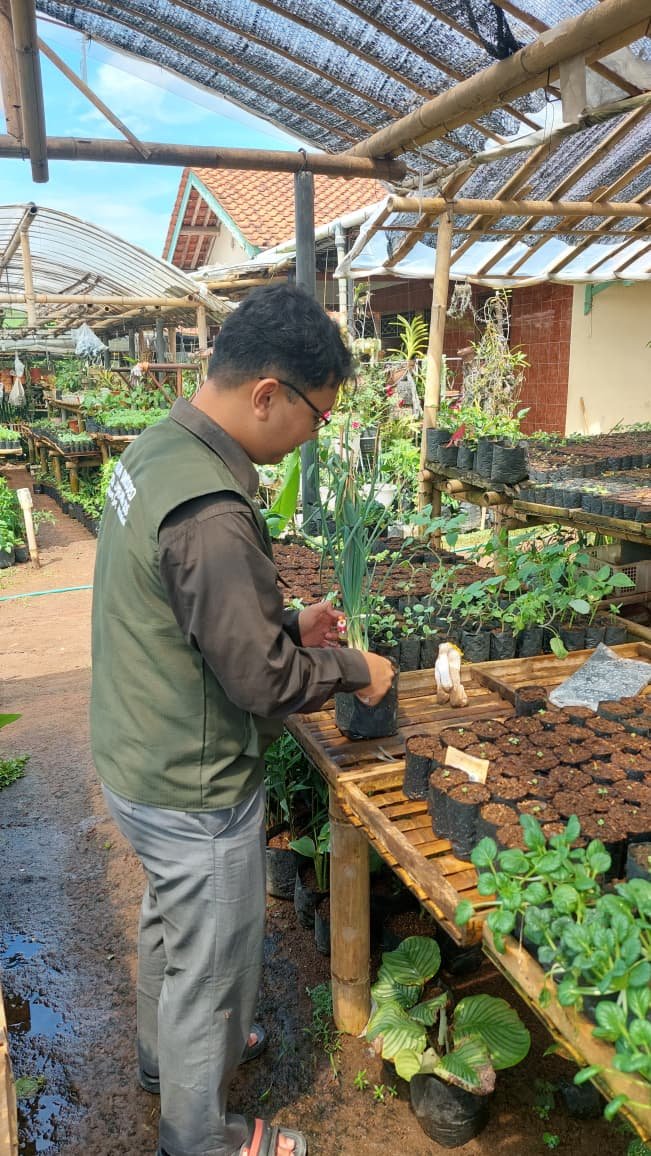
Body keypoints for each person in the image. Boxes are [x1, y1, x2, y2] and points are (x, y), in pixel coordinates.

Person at [90, 283, 395, 1156]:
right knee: (211, 961)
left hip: (134, 753)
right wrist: (347, 667)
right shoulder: (214, 513)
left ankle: (167, 1061)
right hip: (193, 784)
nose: (316, 433)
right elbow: (261, 682)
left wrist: (287, 623)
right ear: (267, 393)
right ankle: (200, 1137)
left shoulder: (160, 447)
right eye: (316, 416)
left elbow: (184, 609)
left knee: (170, 924)